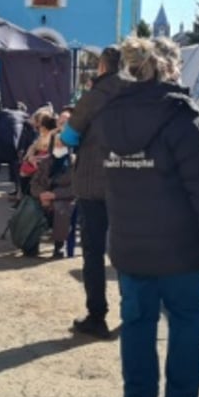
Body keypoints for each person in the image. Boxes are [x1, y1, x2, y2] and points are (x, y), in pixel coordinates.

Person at [97, 36, 199, 397]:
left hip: (129, 243)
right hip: (179, 249)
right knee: (186, 322)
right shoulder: (180, 117)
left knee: (137, 326)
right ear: (171, 68)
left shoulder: (109, 117)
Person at [60, 45, 126, 340]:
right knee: (128, 251)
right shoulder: (136, 93)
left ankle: (96, 316)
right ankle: (133, 312)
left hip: (93, 183)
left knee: (94, 252)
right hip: (129, 182)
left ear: (102, 67)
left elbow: (69, 135)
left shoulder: (95, 96)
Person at [0, 103, 27, 185]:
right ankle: (13, 177)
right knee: (13, 159)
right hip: (13, 140)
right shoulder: (23, 115)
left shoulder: (2, 113)